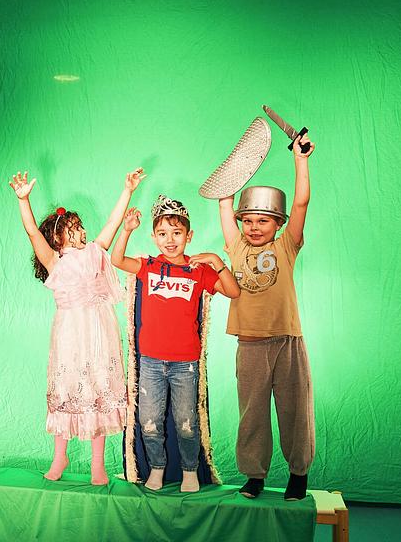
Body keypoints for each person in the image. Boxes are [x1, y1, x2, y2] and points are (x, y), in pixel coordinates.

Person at [8, 168, 144, 485]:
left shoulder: (96, 253)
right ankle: (60, 456)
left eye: (81, 226)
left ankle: (98, 464)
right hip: (70, 336)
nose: (81, 231)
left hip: (99, 334)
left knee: (98, 389)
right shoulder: (55, 261)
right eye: (73, 228)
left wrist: (128, 190)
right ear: (57, 239)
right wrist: (24, 200)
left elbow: (112, 224)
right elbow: (32, 232)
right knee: (67, 390)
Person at [111, 195, 240, 492]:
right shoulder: (148, 265)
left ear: (189, 235)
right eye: (162, 234)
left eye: (177, 233)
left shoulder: (198, 270)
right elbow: (117, 260)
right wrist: (127, 230)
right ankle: (156, 468)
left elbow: (234, 292)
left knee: (186, 421)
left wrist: (216, 261)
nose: (170, 240)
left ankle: (189, 470)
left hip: (185, 364)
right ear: (154, 237)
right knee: (149, 420)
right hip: (151, 362)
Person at [218, 134, 316, 501]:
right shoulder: (236, 247)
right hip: (250, 346)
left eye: (263, 220)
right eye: (248, 220)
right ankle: (254, 475)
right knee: (252, 414)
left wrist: (300, 160)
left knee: (295, 412)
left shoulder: (286, 246)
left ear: (278, 224)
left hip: (287, 342)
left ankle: (298, 474)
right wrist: (231, 178)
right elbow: (225, 202)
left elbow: (302, 202)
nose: (254, 227)